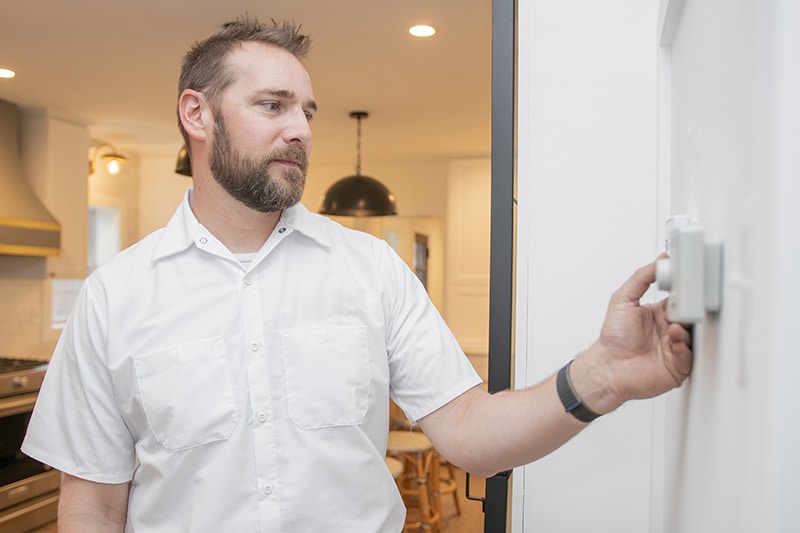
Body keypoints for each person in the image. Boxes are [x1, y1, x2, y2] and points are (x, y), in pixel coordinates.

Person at [22, 16, 692, 533]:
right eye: (273, 105)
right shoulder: (116, 295)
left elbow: (472, 435)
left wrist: (601, 375)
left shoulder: (370, 269)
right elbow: (95, 505)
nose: (301, 130)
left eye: (306, 111)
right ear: (196, 113)